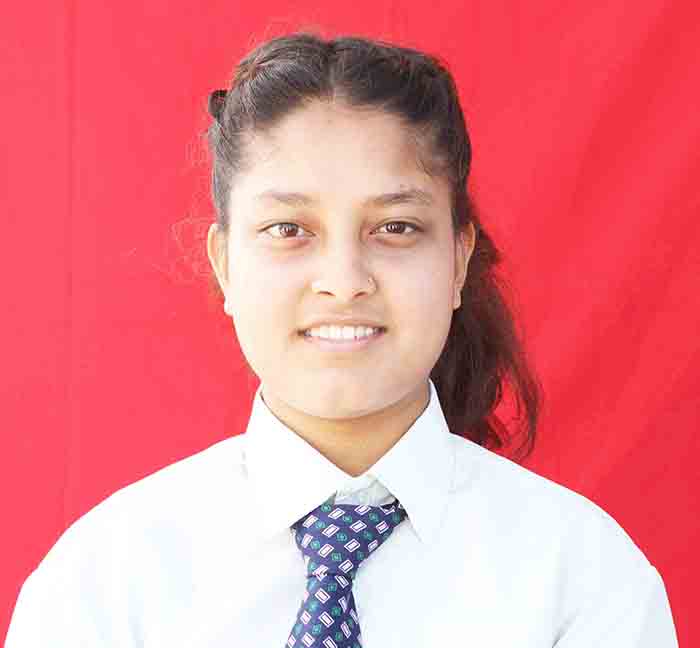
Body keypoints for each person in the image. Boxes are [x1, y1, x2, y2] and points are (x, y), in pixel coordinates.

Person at [5, 31, 678, 647]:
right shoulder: (104, 583)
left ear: (458, 260)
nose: (344, 281)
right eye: (289, 230)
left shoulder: (582, 579)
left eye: (396, 228)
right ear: (226, 265)